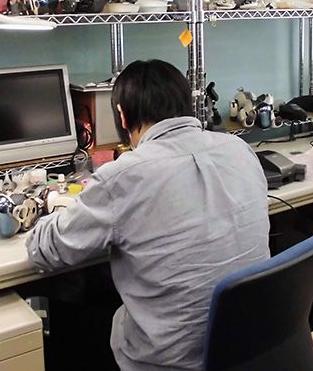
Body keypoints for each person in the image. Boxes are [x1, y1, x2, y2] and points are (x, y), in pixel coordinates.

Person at [26, 59, 270, 370]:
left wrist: (55, 206)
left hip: (169, 362)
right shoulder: (239, 150)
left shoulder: (123, 176)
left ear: (122, 115)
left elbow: (43, 251)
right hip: (250, 347)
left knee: (70, 303)